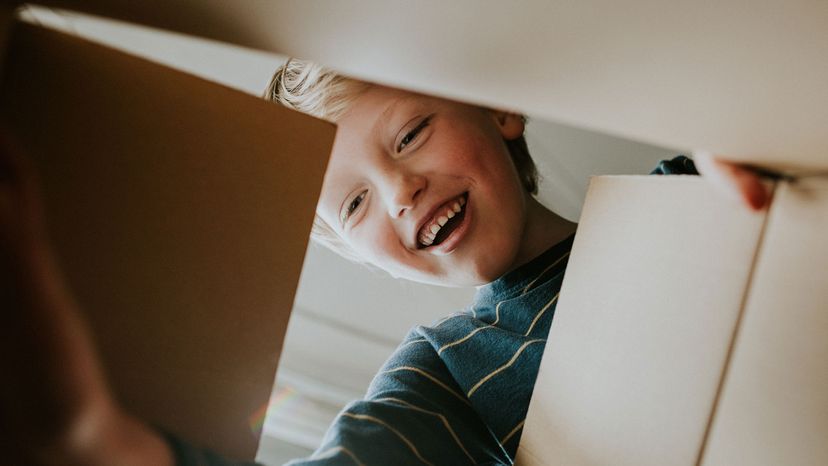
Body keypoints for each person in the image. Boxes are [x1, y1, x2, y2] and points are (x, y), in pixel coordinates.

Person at [0, 58, 771, 465]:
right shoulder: (446, 374)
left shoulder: (683, 192)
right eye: (356, 205)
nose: (400, 192)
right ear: (363, 258)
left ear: (501, 108)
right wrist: (94, 436)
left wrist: (763, 145)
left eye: (409, 135)